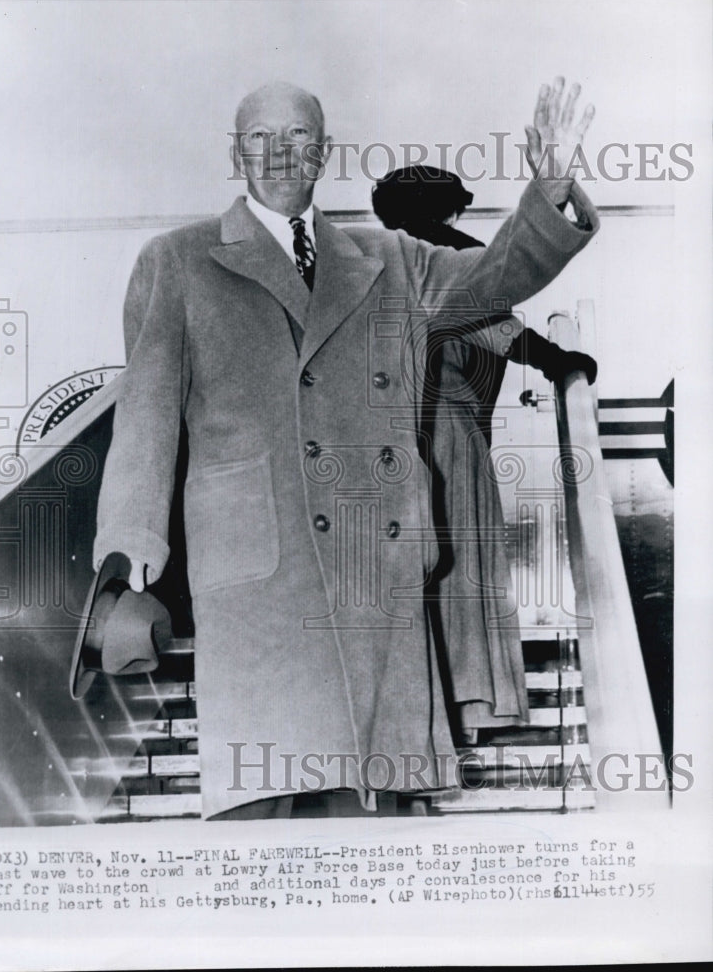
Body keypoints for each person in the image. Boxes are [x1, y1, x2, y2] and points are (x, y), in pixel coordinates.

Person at [93, 78, 599, 820]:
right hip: (259, 572)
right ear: (237, 152)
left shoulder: (390, 257)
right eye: (259, 137)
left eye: (297, 137)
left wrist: (545, 192)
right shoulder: (178, 261)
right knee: (264, 807)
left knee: (373, 814)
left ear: (322, 152)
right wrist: (130, 544)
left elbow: (495, 280)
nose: (278, 153)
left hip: (374, 563)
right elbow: (144, 414)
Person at [370, 164, 597, 740]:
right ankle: (469, 708)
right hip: (448, 437)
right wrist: (559, 361)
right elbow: (500, 330)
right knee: (459, 572)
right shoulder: (455, 258)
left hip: (382, 442)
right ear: (451, 210)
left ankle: (416, 718)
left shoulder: (368, 266)